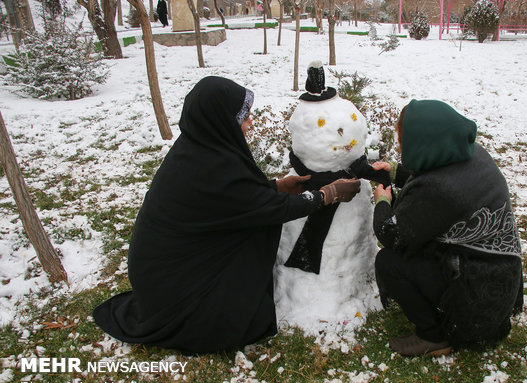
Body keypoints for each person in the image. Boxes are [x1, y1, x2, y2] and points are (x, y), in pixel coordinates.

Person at [93, 76, 361, 355]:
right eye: (242, 117)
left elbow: (233, 201)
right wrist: (327, 195)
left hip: (165, 273)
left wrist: (277, 187)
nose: (249, 124)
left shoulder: (198, 150)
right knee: (255, 234)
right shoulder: (212, 167)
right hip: (175, 290)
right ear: (220, 119)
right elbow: (268, 209)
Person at [371, 99, 523, 357]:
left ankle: (432, 336)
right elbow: (439, 173)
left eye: (404, 139)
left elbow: (391, 234)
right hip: (501, 277)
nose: (400, 145)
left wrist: (383, 201)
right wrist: (398, 172)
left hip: (476, 296)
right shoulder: (473, 153)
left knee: (389, 262)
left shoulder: (441, 191)